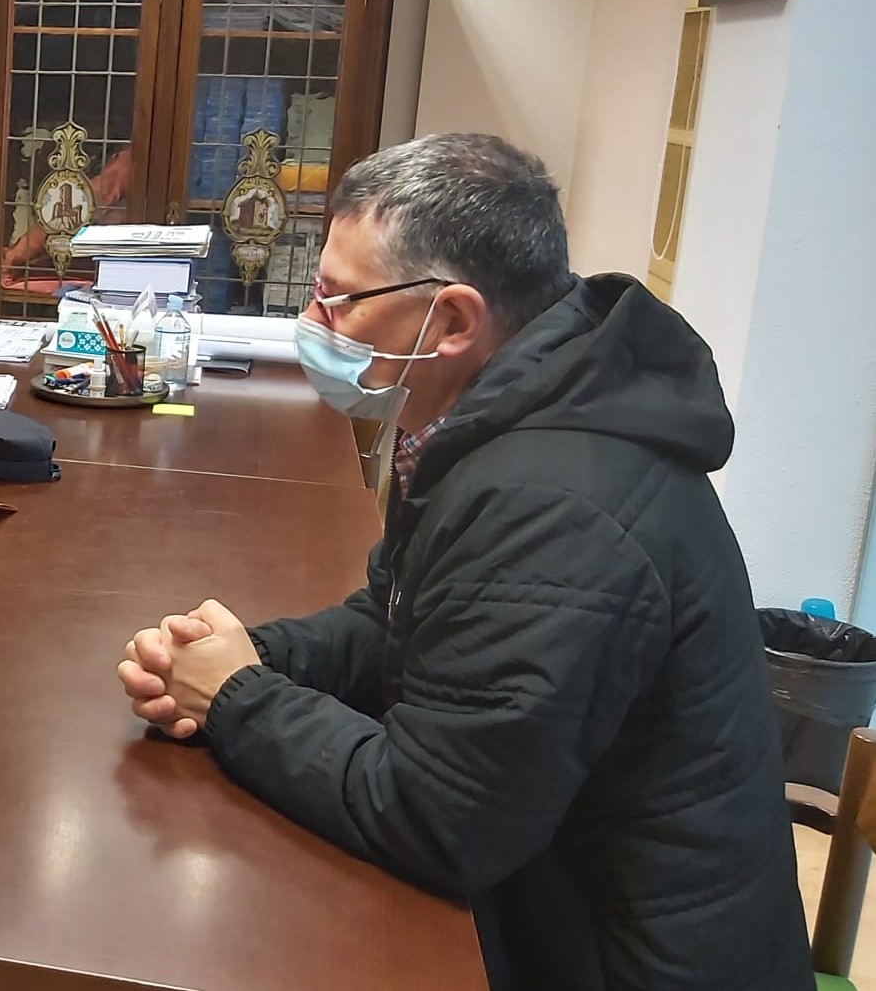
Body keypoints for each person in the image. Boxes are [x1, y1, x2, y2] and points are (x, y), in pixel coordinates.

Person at [116, 133, 810, 990]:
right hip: (550, 901)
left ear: (450, 320)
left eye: (338, 301)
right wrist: (253, 654)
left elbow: (440, 820)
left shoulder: (552, 507)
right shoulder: (502, 416)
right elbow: (397, 615)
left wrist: (235, 697)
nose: (312, 325)